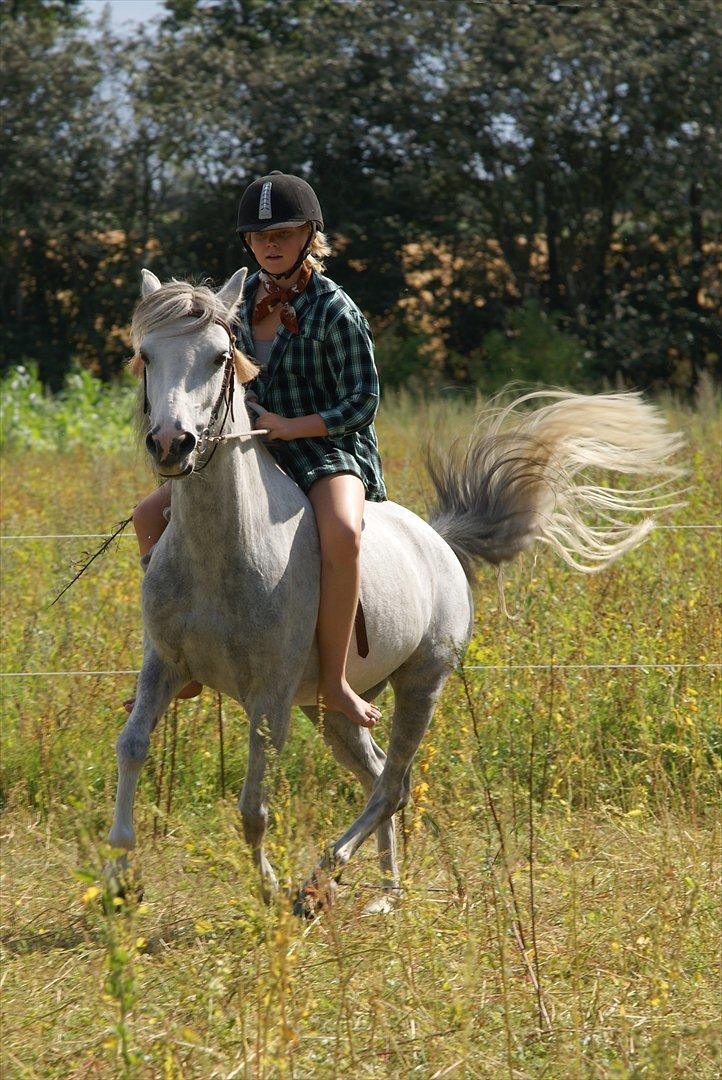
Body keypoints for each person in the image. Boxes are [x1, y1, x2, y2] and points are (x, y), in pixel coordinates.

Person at [129, 171, 387, 729]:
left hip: (327, 451)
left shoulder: (336, 310)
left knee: (342, 530)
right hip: (249, 451)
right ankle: (182, 662)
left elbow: (364, 400)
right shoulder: (236, 309)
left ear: (308, 237)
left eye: (285, 234)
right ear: (249, 243)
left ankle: (338, 681)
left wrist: (295, 427)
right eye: (261, 237)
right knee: (148, 513)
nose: (272, 245)